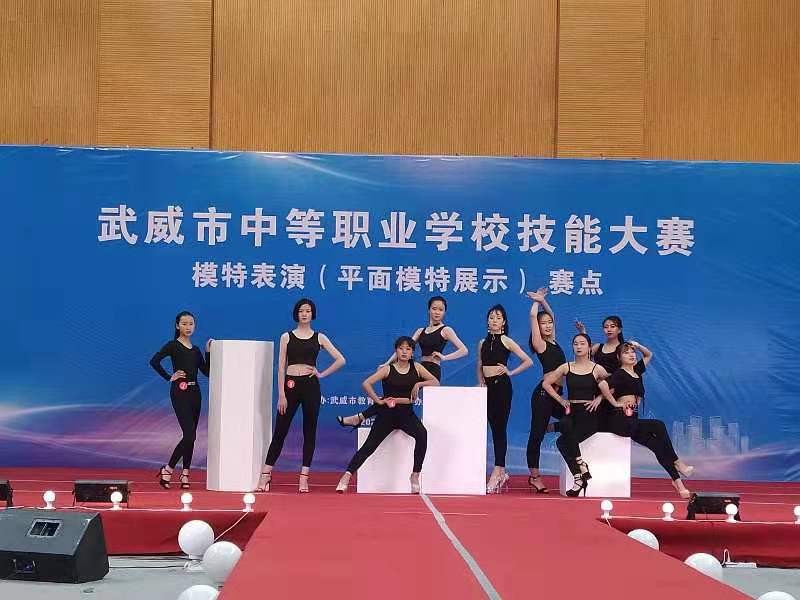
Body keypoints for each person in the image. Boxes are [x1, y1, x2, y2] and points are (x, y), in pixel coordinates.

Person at [257, 299, 345, 493]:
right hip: (290, 386)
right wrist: (281, 394)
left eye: (308, 311)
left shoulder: (319, 337)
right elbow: (281, 368)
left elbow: (341, 359)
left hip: (311, 386)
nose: (304, 314)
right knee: (280, 431)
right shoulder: (286, 337)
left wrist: (321, 374)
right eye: (301, 311)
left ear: (313, 314)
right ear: (296, 314)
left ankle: (304, 478)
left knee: (309, 431)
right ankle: (265, 475)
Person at [336, 296, 465, 428]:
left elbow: (463, 350)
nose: (437, 312)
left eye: (441, 310)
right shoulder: (420, 331)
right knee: (393, 396)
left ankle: (359, 418)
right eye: (434, 309)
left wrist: (444, 357)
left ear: (444, 312)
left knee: (395, 397)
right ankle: (363, 418)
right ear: (429, 310)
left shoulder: (446, 330)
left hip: (431, 372)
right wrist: (387, 363)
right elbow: (404, 347)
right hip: (418, 368)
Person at [335, 337, 438, 494]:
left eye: (408, 349)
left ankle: (415, 475)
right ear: (396, 351)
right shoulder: (388, 369)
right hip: (387, 415)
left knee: (422, 434)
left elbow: (435, 381)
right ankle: (346, 476)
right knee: (369, 446)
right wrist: (378, 400)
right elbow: (366, 383)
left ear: (412, 353)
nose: (404, 352)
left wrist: (419, 384)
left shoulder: (417, 367)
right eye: (401, 348)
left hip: (407, 415)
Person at [603, 341, 694, 498]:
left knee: (658, 447)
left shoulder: (637, 371)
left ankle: (678, 484)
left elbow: (648, 354)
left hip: (633, 419)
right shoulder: (619, 373)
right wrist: (615, 403)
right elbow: (603, 385)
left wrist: (637, 345)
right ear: (619, 357)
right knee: (658, 425)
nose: (631, 354)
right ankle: (678, 462)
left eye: (632, 352)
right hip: (621, 420)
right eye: (626, 352)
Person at [542, 333, 613, 497]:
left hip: (589, 413)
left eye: (582, 343)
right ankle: (579, 475)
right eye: (575, 343)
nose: (579, 346)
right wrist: (561, 400)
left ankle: (579, 473)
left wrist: (599, 399)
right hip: (572, 410)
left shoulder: (597, 368)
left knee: (562, 440)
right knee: (564, 432)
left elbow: (614, 384)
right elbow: (546, 383)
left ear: (589, 347)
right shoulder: (566, 367)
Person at [150, 311, 213, 490]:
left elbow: (207, 372)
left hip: (195, 393)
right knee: (189, 434)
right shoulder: (173, 345)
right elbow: (154, 361)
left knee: (191, 436)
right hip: (180, 392)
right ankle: (168, 469)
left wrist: (208, 352)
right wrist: (169, 377)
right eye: (184, 324)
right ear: (177, 326)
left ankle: (185, 473)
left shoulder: (196, 350)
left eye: (191, 324)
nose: (188, 327)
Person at [477, 304, 534, 493]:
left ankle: (498, 470)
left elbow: (528, 361)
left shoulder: (506, 340)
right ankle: (501, 472)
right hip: (487, 389)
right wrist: (481, 381)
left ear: (503, 322)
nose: (494, 320)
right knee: (492, 428)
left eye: (498, 317)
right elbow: (480, 364)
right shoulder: (482, 343)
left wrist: (510, 372)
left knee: (500, 429)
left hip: (502, 387)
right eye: (491, 317)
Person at [525, 289, 568, 493]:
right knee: (536, 436)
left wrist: (544, 301)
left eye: (549, 323)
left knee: (573, 421)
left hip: (557, 394)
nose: (548, 325)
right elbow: (532, 315)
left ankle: (549, 427)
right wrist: (536, 302)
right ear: (538, 328)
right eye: (544, 324)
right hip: (543, 395)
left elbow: (553, 316)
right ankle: (535, 477)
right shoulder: (540, 344)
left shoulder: (554, 341)